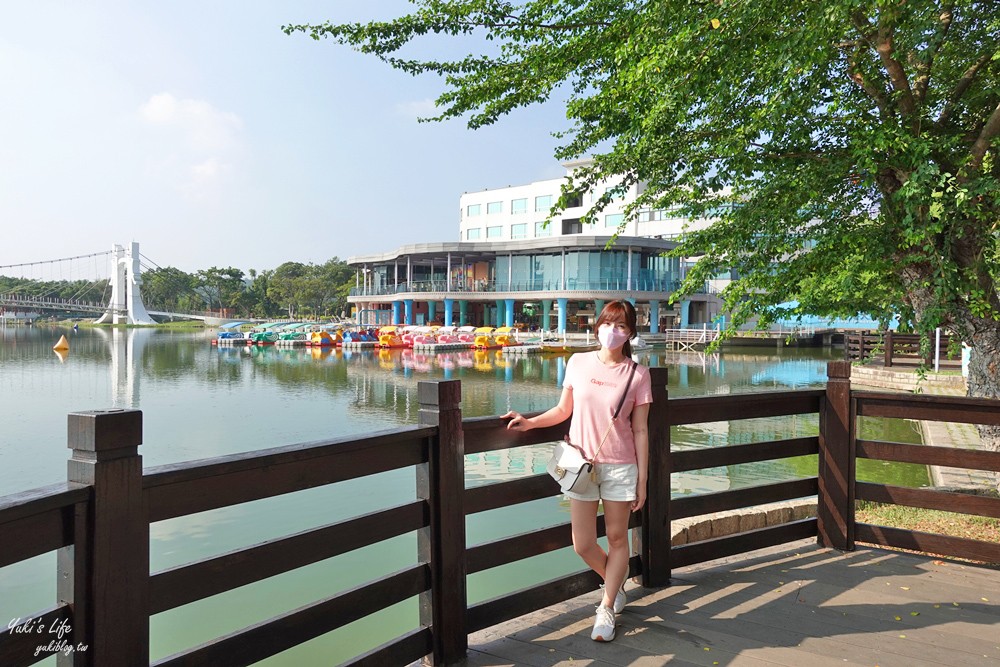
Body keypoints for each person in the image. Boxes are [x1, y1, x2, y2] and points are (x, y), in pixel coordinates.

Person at [503, 300, 651, 642]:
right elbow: (562, 410)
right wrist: (529, 423)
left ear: (630, 334)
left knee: (617, 539)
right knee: (582, 543)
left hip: (620, 466)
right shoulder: (578, 362)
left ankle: (607, 606)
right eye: (608, 324)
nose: (612, 332)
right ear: (597, 326)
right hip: (580, 466)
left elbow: (640, 430)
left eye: (621, 327)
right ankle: (616, 581)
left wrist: (642, 479)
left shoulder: (637, 374)